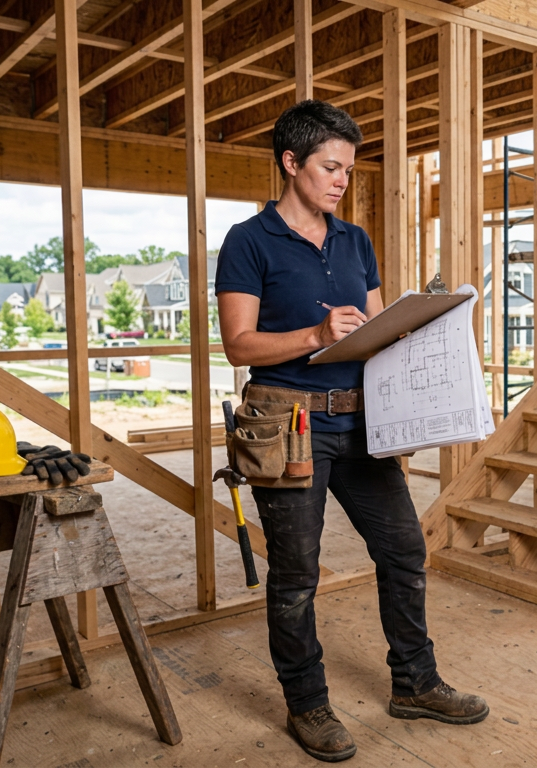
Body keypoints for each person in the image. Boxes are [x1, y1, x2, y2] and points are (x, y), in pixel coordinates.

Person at [215, 100, 487, 763]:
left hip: (359, 421)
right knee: (298, 576)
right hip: (290, 425)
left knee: (402, 552)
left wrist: (421, 325)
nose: (340, 180)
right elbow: (238, 344)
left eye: (347, 170)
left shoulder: (354, 240)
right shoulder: (247, 242)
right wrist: (313, 334)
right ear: (291, 162)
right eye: (330, 168)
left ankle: (415, 684)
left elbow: (372, 336)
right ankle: (308, 704)